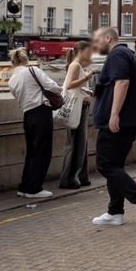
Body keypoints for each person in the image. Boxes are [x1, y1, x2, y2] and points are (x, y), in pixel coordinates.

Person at [91, 27, 136, 228]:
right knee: (115, 166)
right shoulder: (128, 54)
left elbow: (122, 83)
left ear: (108, 37)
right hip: (131, 120)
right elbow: (116, 86)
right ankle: (115, 212)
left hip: (121, 121)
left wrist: (113, 114)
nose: (96, 44)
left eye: (98, 40)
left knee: (105, 165)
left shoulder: (117, 54)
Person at [8, 48, 57, 200]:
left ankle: (24, 186)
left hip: (27, 114)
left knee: (31, 151)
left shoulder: (12, 79)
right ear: (25, 60)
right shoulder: (33, 71)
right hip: (41, 112)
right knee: (42, 151)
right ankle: (34, 188)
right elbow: (52, 86)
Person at [58, 40, 94, 189]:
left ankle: (80, 176)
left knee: (80, 143)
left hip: (82, 106)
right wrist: (87, 78)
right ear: (80, 51)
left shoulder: (77, 65)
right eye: (88, 51)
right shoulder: (75, 65)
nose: (90, 54)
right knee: (76, 144)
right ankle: (69, 179)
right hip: (77, 107)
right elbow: (70, 85)